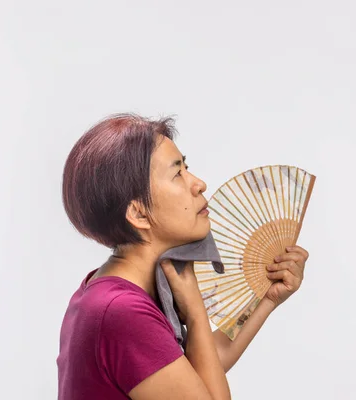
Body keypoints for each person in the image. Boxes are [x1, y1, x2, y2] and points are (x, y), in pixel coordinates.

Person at [57, 113, 310, 399]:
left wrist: (268, 298)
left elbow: (193, 369)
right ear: (139, 213)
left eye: (186, 167)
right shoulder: (121, 311)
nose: (198, 183)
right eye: (178, 173)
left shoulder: (112, 290)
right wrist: (196, 313)